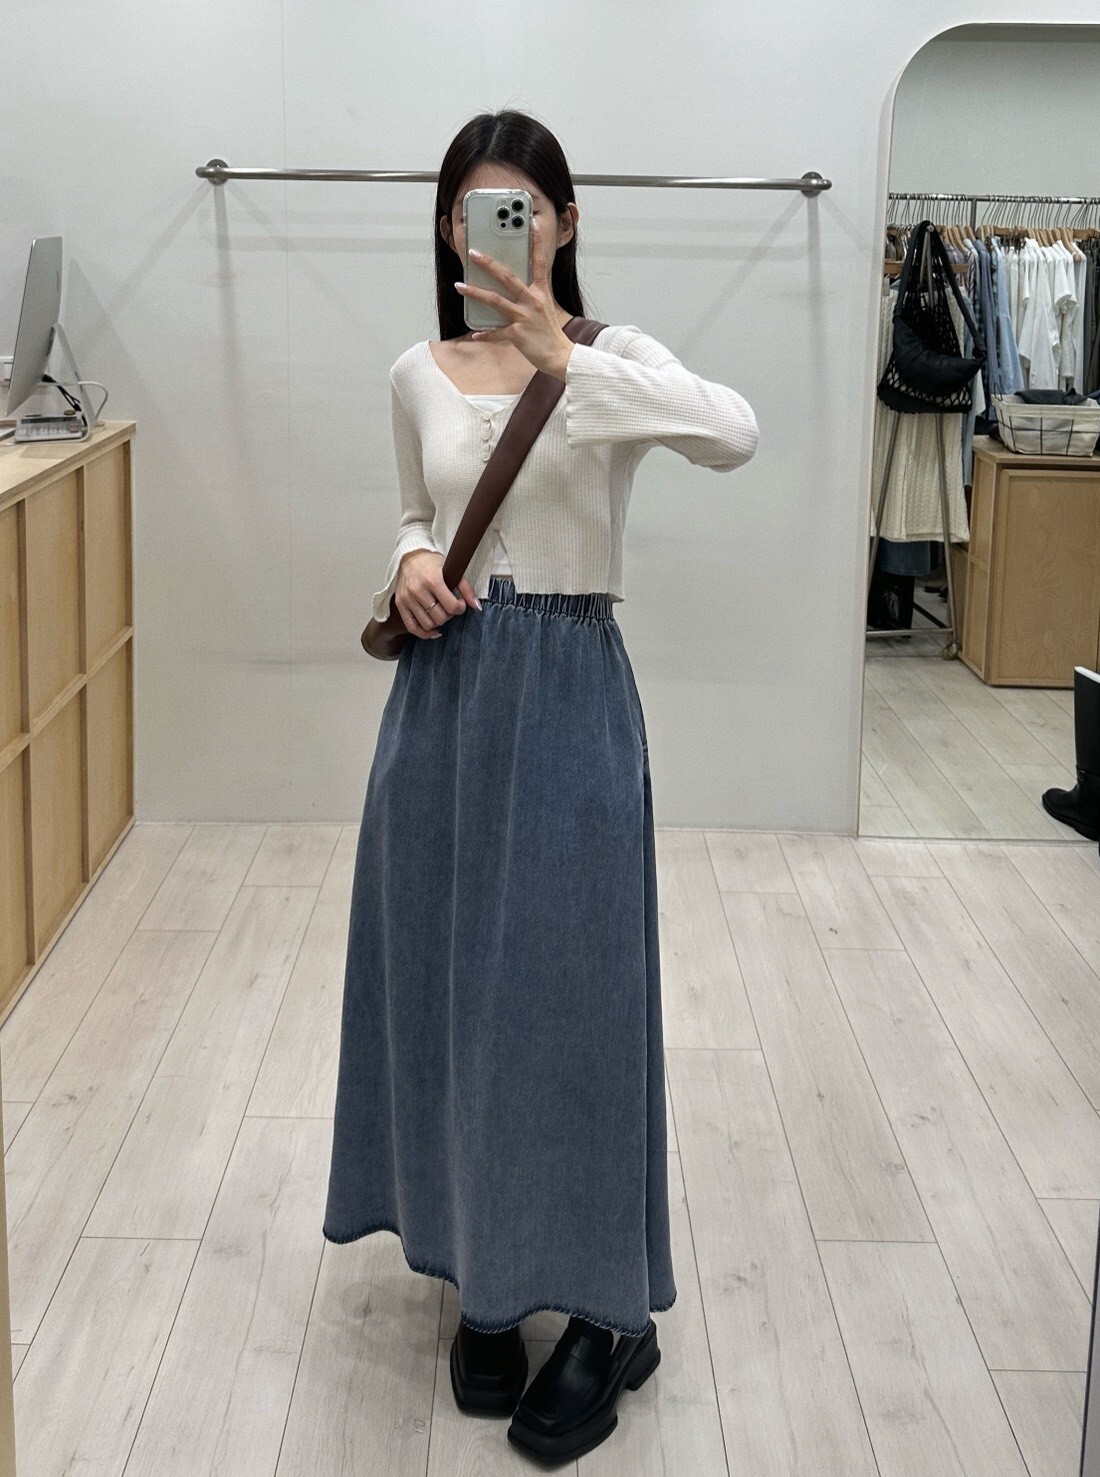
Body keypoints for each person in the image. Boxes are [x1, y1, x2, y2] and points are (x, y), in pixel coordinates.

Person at [322, 108, 759, 1464]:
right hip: (444, 701)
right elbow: (415, 511)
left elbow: (735, 433)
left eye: (518, 209)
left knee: (579, 1001)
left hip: (570, 688)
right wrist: (408, 561)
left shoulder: (616, 359)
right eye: (471, 212)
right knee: (448, 985)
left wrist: (568, 354)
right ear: (449, 230)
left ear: (563, 224)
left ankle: (611, 1310)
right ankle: (483, 1273)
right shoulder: (416, 370)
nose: (494, 232)